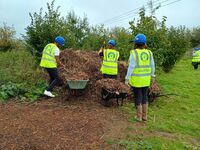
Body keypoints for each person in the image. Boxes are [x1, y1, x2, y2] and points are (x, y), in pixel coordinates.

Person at [125, 34, 155, 122]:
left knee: (138, 97)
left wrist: (127, 78)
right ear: (144, 43)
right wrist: (153, 75)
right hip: (146, 79)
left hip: (137, 80)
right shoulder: (149, 53)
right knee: (145, 96)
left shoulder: (134, 53)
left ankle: (139, 117)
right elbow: (152, 65)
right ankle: (145, 116)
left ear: (135, 43)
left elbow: (131, 67)